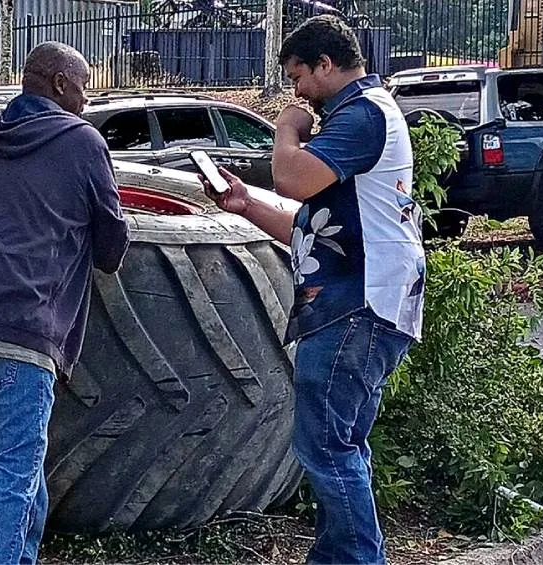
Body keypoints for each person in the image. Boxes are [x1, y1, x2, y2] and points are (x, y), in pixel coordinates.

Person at [200, 15, 424, 565]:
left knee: (325, 446)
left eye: (298, 75)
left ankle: (356, 559)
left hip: (358, 305)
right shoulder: (362, 115)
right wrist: (246, 205)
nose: (296, 91)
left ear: (325, 64)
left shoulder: (364, 114)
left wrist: (285, 128)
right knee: (340, 445)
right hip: (365, 302)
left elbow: (291, 179)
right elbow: (316, 225)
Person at [0, 41, 130, 565]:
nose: (87, 100)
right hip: (24, 319)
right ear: (61, 84)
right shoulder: (82, 141)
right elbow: (110, 245)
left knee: (22, 457)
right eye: (84, 87)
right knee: (14, 467)